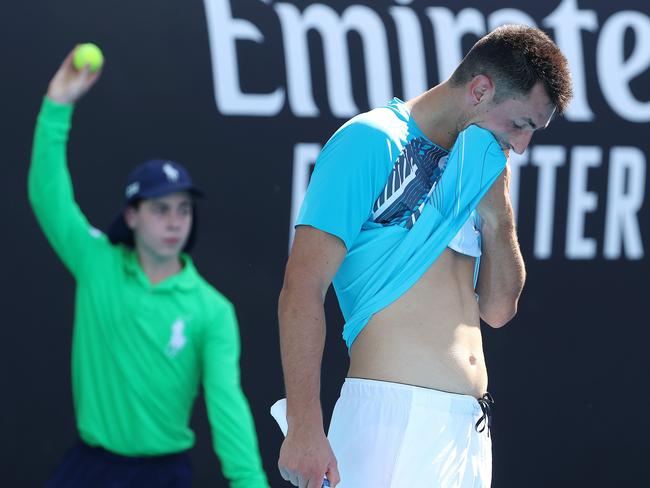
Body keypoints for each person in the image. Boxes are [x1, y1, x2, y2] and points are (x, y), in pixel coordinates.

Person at [277, 25, 573, 488]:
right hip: (394, 427)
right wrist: (304, 426)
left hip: (469, 433)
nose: (520, 145)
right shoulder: (371, 140)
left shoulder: (481, 166)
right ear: (479, 90)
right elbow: (302, 286)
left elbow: (497, 310)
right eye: (519, 125)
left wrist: (498, 214)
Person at [29, 47, 270, 488]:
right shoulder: (96, 262)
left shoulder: (211, 310)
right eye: (160, 209)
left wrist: (250, 482)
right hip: (89, 468)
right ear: (131, 216)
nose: (175, 220)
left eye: (183, 209)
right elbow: (49, 197)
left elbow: (226, 406)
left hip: (165, 473)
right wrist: (56, 106)